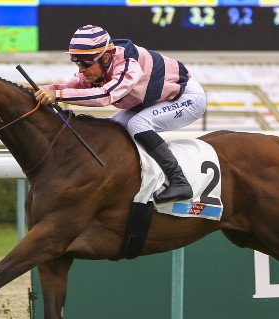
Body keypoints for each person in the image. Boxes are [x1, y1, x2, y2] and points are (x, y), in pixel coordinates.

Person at [33, 24, 207, 204]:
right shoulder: (101, 65)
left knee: (138, 124)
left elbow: (106, 96)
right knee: (113, 127)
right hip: (158, 99)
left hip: (187, 97)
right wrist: (41, 90)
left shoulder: (129, 65)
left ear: (106, 57)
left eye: (86, 63)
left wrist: (58, 95)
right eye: (78, 62)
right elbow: (72, 85)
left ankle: (179, 181)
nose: (81, 69)